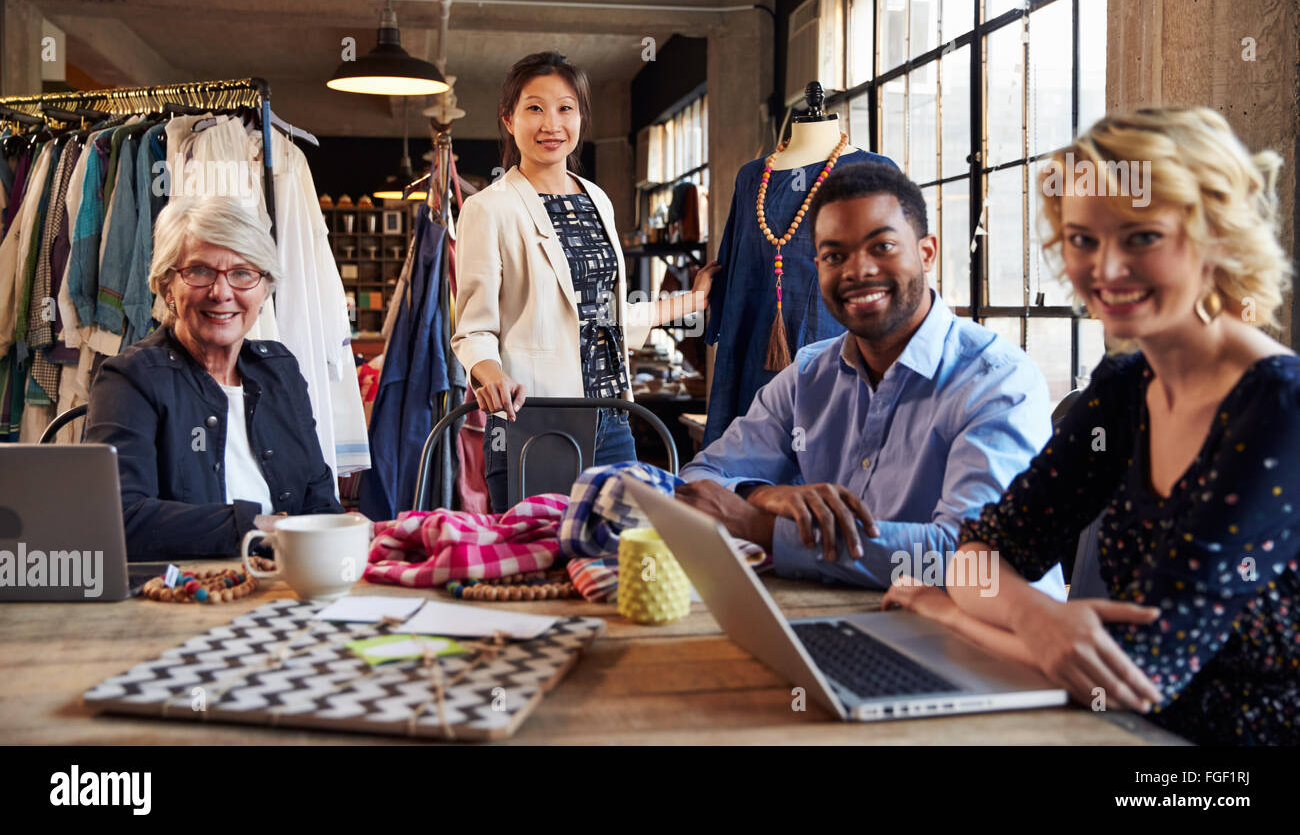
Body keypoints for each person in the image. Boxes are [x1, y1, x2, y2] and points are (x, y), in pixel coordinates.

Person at [884, 107, 1298, 745]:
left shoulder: (1280, 409)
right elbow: (981, 553)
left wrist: (942, 609)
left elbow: (1136, 669)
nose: (1105, 270)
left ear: (1216, 234)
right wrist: (1033, 613)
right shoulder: (1126, 388)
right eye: (1083, 240)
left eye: (1141, 237)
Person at [676, 161, 1065, 596]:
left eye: (881, 247)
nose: (856, 270)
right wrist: (760, 494)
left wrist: (762, 527)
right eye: (833, 256)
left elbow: (972, 556)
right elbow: (697, 481)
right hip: (846, 617)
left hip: (977, 642)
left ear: (927, 253)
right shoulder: (807, 374)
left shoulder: (996, 381)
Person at [453, 51, 718, 512]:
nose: (551, 123)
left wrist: (691, 300)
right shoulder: (488, 208)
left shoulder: (596, 198)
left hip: (613, 417)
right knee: (537, 561)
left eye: (565, 108)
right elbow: (473, 328)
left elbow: (605, 315)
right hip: (534, 417)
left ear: (580, 117)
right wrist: (489, 372)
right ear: (508, 118)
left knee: (620, 550)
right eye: (534, 108)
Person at [84, 198, 342, 561]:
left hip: (290, 582)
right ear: (166, 287)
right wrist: (260, 527)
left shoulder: (281, 371)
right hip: (185, 593)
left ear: (264, 288)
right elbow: (119, 519)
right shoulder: (130, 379)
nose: (222, 293)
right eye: (200, 271)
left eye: (242, 273)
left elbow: (320, 502)